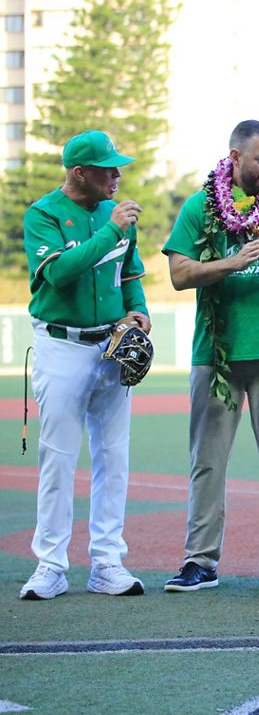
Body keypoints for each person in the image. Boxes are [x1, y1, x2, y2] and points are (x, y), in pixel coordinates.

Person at [162, 120, 259, 593]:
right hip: (216, 357)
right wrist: (233, 261)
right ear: (235, 157)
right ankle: (200, 562)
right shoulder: (200, 205)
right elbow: (178, 272)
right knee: (207, 463)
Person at [18, 130, 150, 600]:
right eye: (108, 168)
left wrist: (140, 311)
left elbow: (128, 276)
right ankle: (51, 564)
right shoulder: (44, 214)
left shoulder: (118, 218)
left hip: (112, 345)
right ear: (80, 173)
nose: (117, 175)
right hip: (62, 345)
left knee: (113, 456)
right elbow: (57, 272)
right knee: (59, 457)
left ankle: (107, 562)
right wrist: (113, 229)